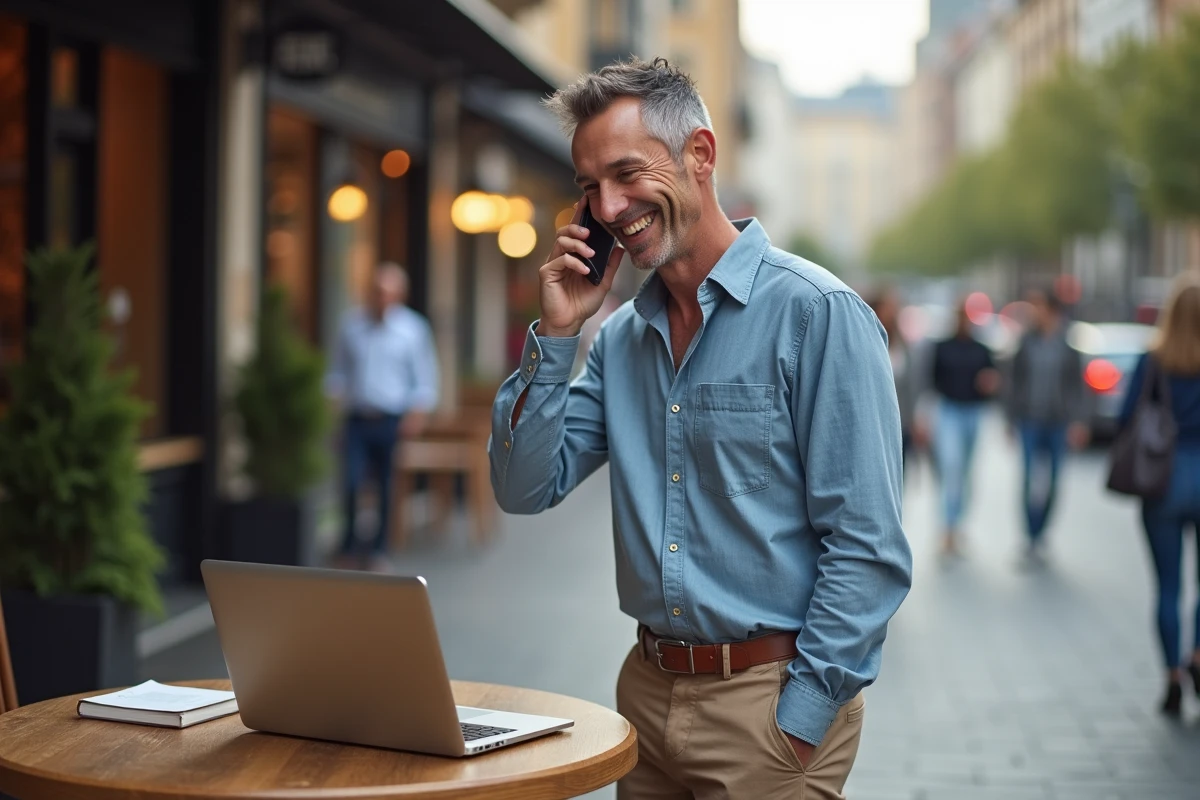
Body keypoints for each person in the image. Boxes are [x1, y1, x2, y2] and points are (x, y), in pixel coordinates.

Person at [488, 58, 912, 799]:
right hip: (645, 700)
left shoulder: (817, 314)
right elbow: (523, 487)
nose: (611, 206)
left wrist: (801, 718)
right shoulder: (618, 342)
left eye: (626, 173)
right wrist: (557, 336)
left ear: (701, 156)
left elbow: (867, 545)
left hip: (769, 711)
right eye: (590, 188)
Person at [1119, 273, 1200, 716]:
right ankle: (1198, 656)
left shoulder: (1154, 360)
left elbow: (1126, 418)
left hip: (1163, 482)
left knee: (1168, 586)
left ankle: (1171, 675)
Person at [326, 262, 438, 570]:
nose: (382, 299)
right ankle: (349, 545)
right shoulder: (351, 325)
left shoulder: (413, 330)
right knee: (350, 482)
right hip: (357, 418)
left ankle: (379, 549)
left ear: (400, 295)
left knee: (387, 486)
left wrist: (416, 415)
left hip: (392, 420)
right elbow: (337, 372)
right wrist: (333, 406)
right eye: (377, 292)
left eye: (388, 293)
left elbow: (425, 379)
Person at [1004, 289, 1089, 564]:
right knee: (1029, 480)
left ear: (1052, 311)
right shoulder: (1026, 343)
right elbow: (1013, 382)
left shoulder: (1068, 347)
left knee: (1053, 481)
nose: (1033, 313)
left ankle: (1041, 534)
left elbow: (1078, 387)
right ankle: (1030, 536)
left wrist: (1078, 422)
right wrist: (1010, 419)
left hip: (1058, 422)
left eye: (1038, 308)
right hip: (1029, 420)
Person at [929, 298, 1000, 556]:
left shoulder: (982, 349)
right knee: (952, 467)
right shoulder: (942, 347)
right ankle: (948, 527)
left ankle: (958, 523)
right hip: (949, 411)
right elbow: (932, 382)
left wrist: (990, 384)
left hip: (973, 412)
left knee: (967, 471)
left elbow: (993, 380)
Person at [868, 286, 923, 472]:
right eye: (887, 307)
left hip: (901, 423)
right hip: (873, 422)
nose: (891, 313)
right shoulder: (866, 340)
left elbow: (912, 385)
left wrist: (914, 419)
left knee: (899, 473)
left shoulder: (903, 344)